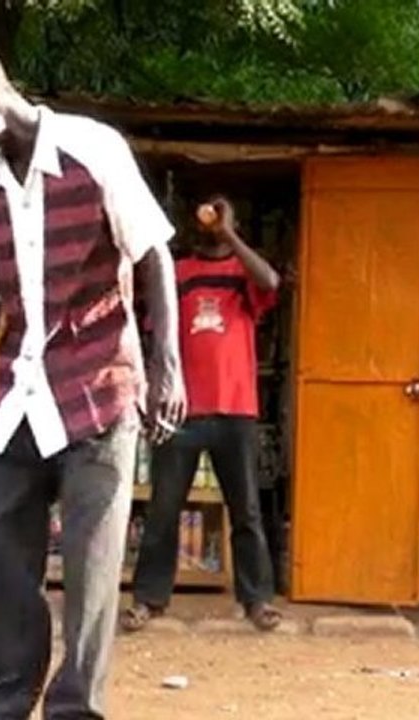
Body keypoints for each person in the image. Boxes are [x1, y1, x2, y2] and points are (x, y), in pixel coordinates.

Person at [0, 45, 186, 719]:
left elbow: (152, 253)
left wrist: (166, 365)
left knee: (92, 573)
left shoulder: (94, 150)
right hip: (19, 401)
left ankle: (74, 711)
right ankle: (1, 703)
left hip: (101, 390)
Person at [122, 196, 283, 633]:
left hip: (236, 409)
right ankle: (148, 600)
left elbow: (270, 281)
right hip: (182, 410)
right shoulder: (179, 273)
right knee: (163, 509)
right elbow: (156, 332)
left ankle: (257, 601)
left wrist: (230, 234)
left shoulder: (242, 273)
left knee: (246, 510)